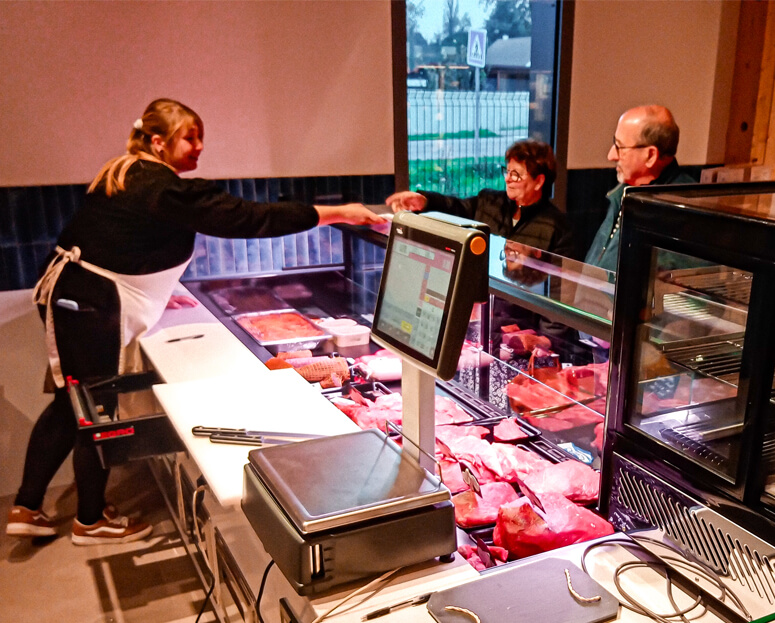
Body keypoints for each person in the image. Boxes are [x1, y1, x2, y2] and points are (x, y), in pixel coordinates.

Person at [6, 98, 384, 545]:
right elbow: (247, 218)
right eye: (191, 137)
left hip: (75, 296)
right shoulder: (162, 187)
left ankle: (27, 506)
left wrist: (156, 296)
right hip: (90, 306)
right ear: (158, 141)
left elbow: (123, 244)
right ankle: (90, 521)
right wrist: (336, 212)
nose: (200, 146)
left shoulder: (127, 171)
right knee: (93, 410)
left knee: (69, 404)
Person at [385, 139, 576, 258]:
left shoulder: (558, 228)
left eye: (516, 174)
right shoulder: (489, 201)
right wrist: (424, 201)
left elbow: (558, 294)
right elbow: (456, 207)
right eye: (507, 171)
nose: (508, 178)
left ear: (538, 181)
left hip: (520, 320)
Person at [584, 105, 695, 272]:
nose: (611, 156)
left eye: (619, 147)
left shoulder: (684, 209)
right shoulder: (624, 191)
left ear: (650, 155)